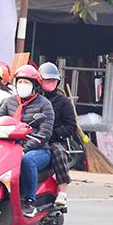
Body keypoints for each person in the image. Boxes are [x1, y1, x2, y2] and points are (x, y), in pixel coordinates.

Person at [0, 65, 55, 216]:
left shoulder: (44, 105)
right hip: (9, 146)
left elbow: (45, 133)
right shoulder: (9, 102)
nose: (22, 86)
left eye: (27, 83)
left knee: (26, 160)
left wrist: (25, 148)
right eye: (20, 82)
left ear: (35, 87)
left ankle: (29, 201)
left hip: (38, 150)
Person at [38, 62, 78, 206]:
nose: (49, 83)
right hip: (31, 137)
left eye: (52, 81)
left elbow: (71, 126)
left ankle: (62, 192)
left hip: (52, 140)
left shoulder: (63, 102)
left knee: (59, 153)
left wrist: (53, 133)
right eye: (46, 80)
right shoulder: (33, 99)